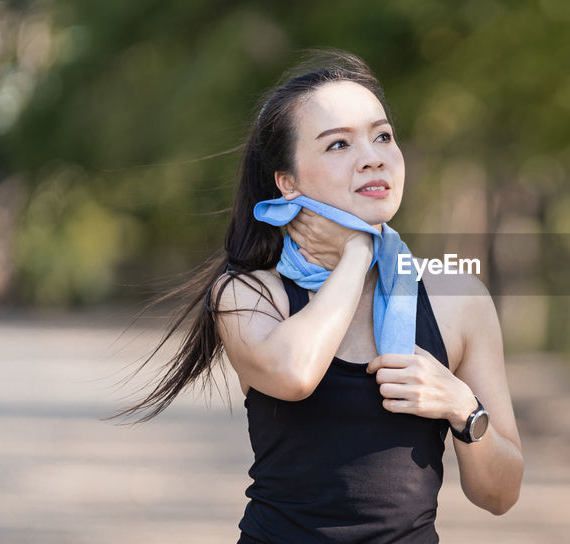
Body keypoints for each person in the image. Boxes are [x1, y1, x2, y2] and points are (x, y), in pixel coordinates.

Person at [103, 48, 523, 543]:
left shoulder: (457, 299)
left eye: (382, 136)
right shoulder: (248, 293)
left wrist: (462, 408)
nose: (372, 157)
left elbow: (500, 495)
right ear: (287, 184)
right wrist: (356, 253)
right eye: (338, 145)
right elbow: (295, 373)